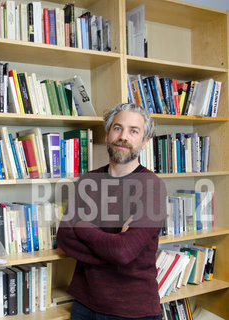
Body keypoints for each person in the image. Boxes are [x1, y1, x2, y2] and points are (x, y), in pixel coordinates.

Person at [56, 103, 166, 320]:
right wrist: (114, 248)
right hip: (84, 304)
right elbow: (65, 238)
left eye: (134, 131)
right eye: (117, 128)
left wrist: (80, 224)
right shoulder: (89, 180)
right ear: (107, 135)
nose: (123, 136)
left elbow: (123, 252)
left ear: (144, 142)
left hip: (132, 310)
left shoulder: (151, 186)